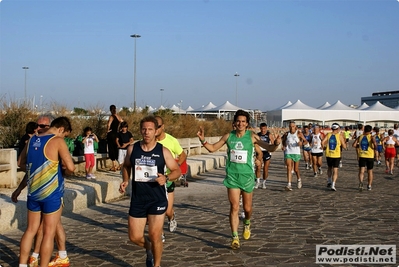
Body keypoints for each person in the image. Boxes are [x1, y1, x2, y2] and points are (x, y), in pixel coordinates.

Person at [197, 110, 281, 249]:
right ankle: (234, 236)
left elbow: (269, 148)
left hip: (247, 177)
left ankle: (247, 223)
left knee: (247, 208)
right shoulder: (228, 136)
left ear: (247, 124)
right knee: (234, 207)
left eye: (243, 121)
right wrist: (202, 140)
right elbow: (212, 148)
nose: (240, 123)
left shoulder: (252, 137)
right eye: (238, 121)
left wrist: (276, 143)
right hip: (232, 176)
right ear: (234, 123)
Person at [119, 116, 181, 267]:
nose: (146, 132)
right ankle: (149, 249)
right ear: (140, 130)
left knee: (155, 235)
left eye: (150, 129)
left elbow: (176, 170)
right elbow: (126, 166)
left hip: (157, 199)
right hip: (138, 199)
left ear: (156, 131)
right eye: (144, 129)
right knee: (134, 237)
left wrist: (166, 178)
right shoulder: (133, 149)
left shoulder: (163, 151)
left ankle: (157, 264)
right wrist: (125, 180)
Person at [12, 114, 72, 267]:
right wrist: (62, 171)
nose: (64, 137)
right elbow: (71, 167)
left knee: (30, 230)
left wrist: (38, 171)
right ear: (61, 129)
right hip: (51, 194)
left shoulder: (32, 139)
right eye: (64, 134)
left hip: (33, 193)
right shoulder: (57, 141)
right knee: (48, 233)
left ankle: (22, 264)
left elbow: (20, 163)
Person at [154, 116, 187, 241]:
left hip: (168, 179)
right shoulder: (149, 140)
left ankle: (172, 217)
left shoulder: (171, 141)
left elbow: (183, 154)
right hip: (154, 180)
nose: (156, 129)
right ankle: (160, 233)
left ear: (163, 127)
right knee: (158, 210)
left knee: (167, 211)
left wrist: (176, 167)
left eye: (158, 126)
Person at [281, 122, 309, 191]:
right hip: (288, 152)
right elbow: (283, 140)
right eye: (290, 126)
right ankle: (289, 184)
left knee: (296, 169)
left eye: (293, 126)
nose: (291, 128)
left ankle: (299, 179)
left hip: (296, 153)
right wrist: (284, 146)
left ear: (295, 126)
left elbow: (306, 142)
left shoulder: (299, 133)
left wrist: (301, 143)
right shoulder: (287, 134)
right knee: (289, 168)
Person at [322, 123, 347, 191]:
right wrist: (345, 143)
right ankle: (333, 184)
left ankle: (329, 180)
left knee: (329, 168)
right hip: (336, 155)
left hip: (329, 154)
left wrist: (323, 147)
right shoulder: (339, 136)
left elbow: (323, 142)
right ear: (337, 129)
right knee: (335, 170)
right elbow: (344, 146)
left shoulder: (328, 135)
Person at [352, 125, 377, 191]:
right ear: (370, 130)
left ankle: (361, 183)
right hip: (370, 156)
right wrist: (374, 149)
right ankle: (369, 185)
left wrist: (359, 146)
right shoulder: (371, 137)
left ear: (364, 130)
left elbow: (354, 145)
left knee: (361, 171)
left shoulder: (360, 137)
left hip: (362, 155)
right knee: (370, 171)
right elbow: (375, 144)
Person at [255, 123, 274, 189]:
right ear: (260, 128)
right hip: (259, 152)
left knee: (265, 169)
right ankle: (257, 181)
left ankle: (264, 182)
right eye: (262, 129)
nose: (263, 130)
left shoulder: (269, 134)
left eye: (264, 129)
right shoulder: (257, 135)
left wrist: (271, 149)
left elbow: (273, 143)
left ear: (266, 128)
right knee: (258, 167)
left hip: (266, 152)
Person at [107, 104, 123, 171]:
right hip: (116, 133)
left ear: (110, 110)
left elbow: (108, 124)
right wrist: (120, 130)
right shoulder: (118, 116)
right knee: (116, 149)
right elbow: (123, 122)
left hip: (111, 134)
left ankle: (114, 165)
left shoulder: (111, 117)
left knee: (111, 149)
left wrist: (107, 130)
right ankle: (119, 165)